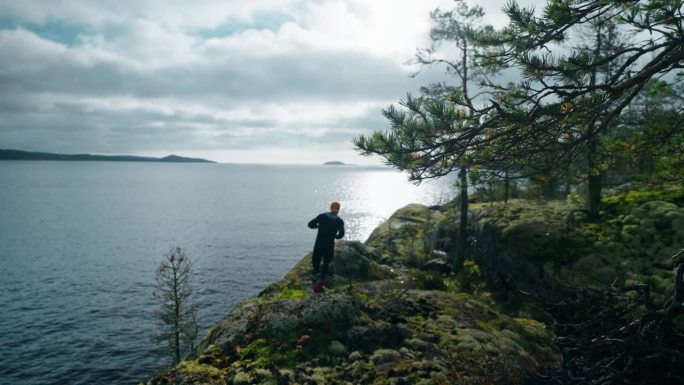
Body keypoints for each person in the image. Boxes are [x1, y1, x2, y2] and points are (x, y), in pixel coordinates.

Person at [308, 201, 345, 292]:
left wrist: (318, 226)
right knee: (326, 262)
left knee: (316, 261)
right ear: (338, 210)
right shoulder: (339, 221)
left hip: (319, 243)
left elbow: (310, 224)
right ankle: (322, 280)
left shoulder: (322, 217)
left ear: (330, 208)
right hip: (329, 245)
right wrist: (335, 236)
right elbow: (341, 234)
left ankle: (315, 278)